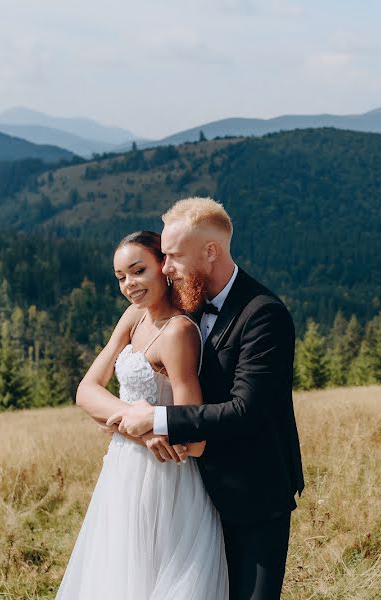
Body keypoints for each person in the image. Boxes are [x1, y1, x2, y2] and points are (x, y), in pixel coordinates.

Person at [108, 197, 305, 600]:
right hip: (193, 498)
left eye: (174, 256)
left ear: (210, 252)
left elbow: (246, 411)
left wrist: (157, 420)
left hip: (252, 497)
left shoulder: (264, 314)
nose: (165, 268)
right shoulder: (186, 304)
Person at [56, 230, 229, 599]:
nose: (129, 284)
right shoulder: (134, 317)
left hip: (162, 478)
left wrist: (141, 426)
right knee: (117, 575)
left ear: (163, 267)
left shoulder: (179, 332)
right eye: (121, 277)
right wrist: (139, 427)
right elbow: (86, 391)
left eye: (138, 271)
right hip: (124, 467)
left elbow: (194, 437)